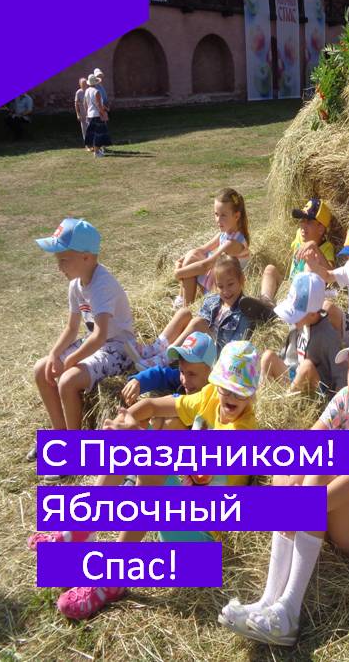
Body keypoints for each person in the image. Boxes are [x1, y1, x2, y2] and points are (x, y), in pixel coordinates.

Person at [41, 341, 261, 620]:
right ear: (215, 382)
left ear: (253, 395)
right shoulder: (209, 397)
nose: (229, 396)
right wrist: (125, 421)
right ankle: (80, 531)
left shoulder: (242, 433)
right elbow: (153, 404)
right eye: (224, 387)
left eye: (239, 391)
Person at [219, 323, 349, 646]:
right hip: (339, 504)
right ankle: (268, 601)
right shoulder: (345, 398)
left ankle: (289, 611)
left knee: (316, 474)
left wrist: (302, 504)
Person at [31, 218, 134, 462]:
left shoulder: (102, 285)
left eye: (64, 260)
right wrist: (55, 355)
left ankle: (74, 451)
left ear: (86, 257)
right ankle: (59, 435)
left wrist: (71, 361)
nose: (59, 267)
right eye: (58, 260)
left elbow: (100, 335)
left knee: (68, 381)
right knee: (41, 369)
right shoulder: (75, 284)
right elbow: (71, 328)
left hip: (118, 349)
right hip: (95, 343)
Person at [240, 198, 335, 324]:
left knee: (308, 267)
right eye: (302, 220)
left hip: (304, 293)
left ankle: (287, 312)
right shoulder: (299, 235)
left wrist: (315, 248)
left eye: (308, 222)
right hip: (288, 285)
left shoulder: (326, 248)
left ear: (321, 229)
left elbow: (331, 275)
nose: (303, 225)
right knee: (270, 269)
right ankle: (266, 304)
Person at [260, 272, 346, 396]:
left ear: (313, 314)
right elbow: (287, 355)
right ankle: (263, 399)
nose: (292, 319)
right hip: (295, 376)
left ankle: (285, 403)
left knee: (307, 366)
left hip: (316, 391)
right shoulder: (298, 324)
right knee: (268, 357)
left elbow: (340, 376)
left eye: (296, 314)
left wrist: (337, 402)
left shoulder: (328, 335)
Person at [173, 188, 251, 307]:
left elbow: (206, 266)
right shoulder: (224, 234)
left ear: (236, 216)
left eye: (223, 215)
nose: (218, 220)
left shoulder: (233, 243)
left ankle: (185, 308)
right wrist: (181, 261)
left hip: (226, 285)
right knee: (192, 255)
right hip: (219, 275)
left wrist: (178, 273)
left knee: (190, 268)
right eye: (216, 214)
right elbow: (201, 250)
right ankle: (181, 300)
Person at [166, 255, 254, 358]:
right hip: (199, 345)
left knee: (198, 322)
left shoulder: (244, 311)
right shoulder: (212, 301)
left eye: (230, 284)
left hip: (215, 356)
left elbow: (234, 349)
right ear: (216, 286)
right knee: (183, 313)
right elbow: (196, 332)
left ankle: (168, 356)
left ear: (242, 280)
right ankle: (156, 348)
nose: (226, 291)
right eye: (220, 286)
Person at [120, 331, 216, 407]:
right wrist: (139, 381)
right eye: (182, 371)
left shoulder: (216, 399)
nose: (184, 381)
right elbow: (161, 375)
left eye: (192, 374)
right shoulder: (182, 380)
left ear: (210, 372)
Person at [83, 73, 111, 157]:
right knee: (99, 134)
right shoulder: (96, 91)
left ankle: (97, 151)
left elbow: (85, 104)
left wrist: (87, 113)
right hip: (97, 115)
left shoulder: (87, 91)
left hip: (90, 115)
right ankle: (97, 152)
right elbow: (99, 104)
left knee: (94, 134)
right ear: (95, 82)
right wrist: (103, 113)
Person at [74, 78, 88, 146]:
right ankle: (87, 145)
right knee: (84, 130)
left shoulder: (89, 90)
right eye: (83, 84)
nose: (84, 85)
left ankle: (94, 144)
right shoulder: (78, 92)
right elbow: (76, 104)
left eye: (85, 83)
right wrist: (78, 114)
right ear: (80, 84)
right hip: (83, 114)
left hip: (90, 113)